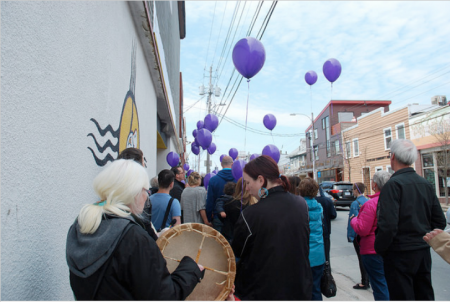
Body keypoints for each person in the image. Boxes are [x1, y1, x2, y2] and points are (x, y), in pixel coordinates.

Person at [66, 159, 204, 300]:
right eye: (145, 191)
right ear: (134, 193)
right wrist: (191, 270)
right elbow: (163, 296)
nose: (146, 196)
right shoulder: (133, 238)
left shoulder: (83, 223)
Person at [231, 155, 312, 300]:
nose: (247, 188)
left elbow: (237, 251)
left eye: (248, 183)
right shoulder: (301, 204)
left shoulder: (250, 214)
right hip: (299, 289)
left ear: (261, 180)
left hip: (262, 291)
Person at [375, 139, 446, 300]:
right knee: (424, 294)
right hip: (422, 252)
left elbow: (388, 226)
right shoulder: (426, 184)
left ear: (392, 157)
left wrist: (380, 248)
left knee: (402, 295)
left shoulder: (392, 186)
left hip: (399, 254)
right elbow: (440, 222)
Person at [350, 171, 391, 301]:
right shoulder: (395, 201)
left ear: (374, 185)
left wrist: (354, 220)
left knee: (379, 286)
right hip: (391, 248)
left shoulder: (371, 204)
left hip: (372, 250)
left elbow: (362, 229)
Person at [298, 178, 326, 301]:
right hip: (319, 253)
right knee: (316, 289)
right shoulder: (319, 206)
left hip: (304, 254)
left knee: (303, 290)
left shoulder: (299, 207)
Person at [348, 182, 370, 290]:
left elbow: (353, 221)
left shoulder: (355, 204)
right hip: (368, 234)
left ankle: (364, 281)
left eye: (353, 189)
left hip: (358, 235)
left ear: (356, 190)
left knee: (361, 258)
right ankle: (368, 279)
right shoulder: (368, 201)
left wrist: (350, 236)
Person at [206, 156, 236, 232]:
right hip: (234, 217)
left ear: (221, 164)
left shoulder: (213, 180)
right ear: (232, 164)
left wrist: (209, 218)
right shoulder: (238, 180)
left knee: (218, 242)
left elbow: (210, 201)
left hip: (218, 217)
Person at [316, 184, 337, 265]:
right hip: (325, 232)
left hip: (313, 234)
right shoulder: (327, 200)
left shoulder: (305, 201)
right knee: (326, 256)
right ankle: (327, 274)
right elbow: (333, 215)